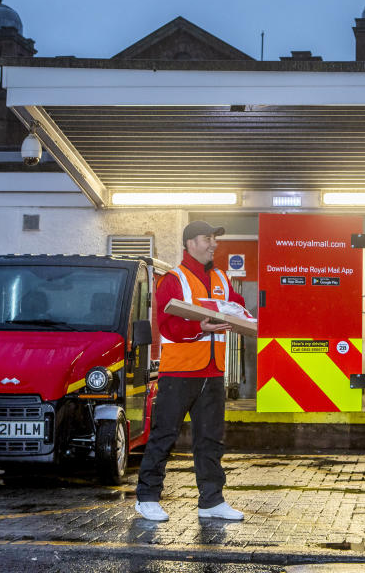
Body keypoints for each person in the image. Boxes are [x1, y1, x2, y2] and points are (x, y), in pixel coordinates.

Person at [135, 220, 245, 522]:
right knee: (164, 435)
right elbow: (168, 325)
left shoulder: (222, 278)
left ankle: (211, 500)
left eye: (215, 239)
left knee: (210, 439)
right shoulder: (173, 280)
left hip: (212, 372)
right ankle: (147, 498)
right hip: (179, 372)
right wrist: (200, 327)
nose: (214, 244)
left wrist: (240, 315)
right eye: (207, 239)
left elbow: (237, 306)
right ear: (190, 243)